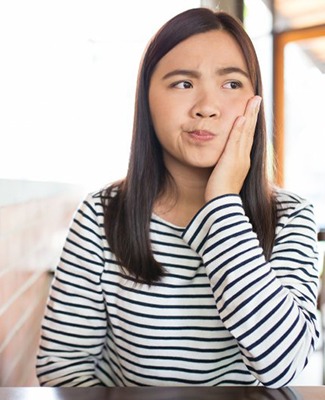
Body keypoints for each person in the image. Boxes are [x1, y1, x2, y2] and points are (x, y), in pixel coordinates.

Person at [36, 7, 320, 388]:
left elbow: (283, 367)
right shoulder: (102, 215)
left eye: (231, 84)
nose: (206, 106)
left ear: (255, 101)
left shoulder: (291, 217)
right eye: (183, 84)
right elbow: (62, 368)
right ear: (147, 100)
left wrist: (222, 204)